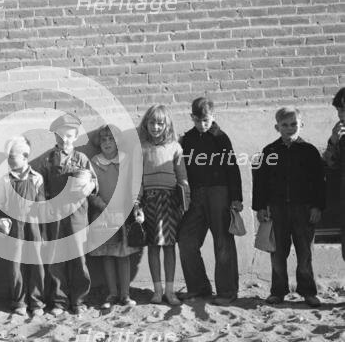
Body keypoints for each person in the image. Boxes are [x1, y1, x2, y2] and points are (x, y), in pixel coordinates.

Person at [252, 106, 325, 306]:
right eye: (285, 125)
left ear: (301, 124)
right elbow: (261, 181)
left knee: (305, 253)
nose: (290, 128)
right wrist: (260, 207)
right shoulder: (270, 151)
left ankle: (308, 291)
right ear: (277, 127)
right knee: (278, 254)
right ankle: (278, 291)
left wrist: (317, 206)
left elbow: (319, 181)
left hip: (304, 210)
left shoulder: (310, 151)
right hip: (277, 210)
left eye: (294, 124)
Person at [177, 97, 243, 305]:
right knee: (186, 239)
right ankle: (198, 287)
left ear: (213, 116)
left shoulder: (221, 138)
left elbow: (232, 167)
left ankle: (227, 292)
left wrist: (236, 198)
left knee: (223, 242)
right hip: (195, 195)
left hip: (220, 193)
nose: (202, 124)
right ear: (192, 118)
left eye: (206, 120)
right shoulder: (186, 139)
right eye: (198, 120)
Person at [37, 113, 97, 316]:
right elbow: (41, 188)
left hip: (77, 214)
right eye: (61, 136)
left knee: (79, 256)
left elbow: (94, 183)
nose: (65, 140)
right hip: (55, 214)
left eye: (70, 136)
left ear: (76, 137)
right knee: (56, 258)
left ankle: (79, 300)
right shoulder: (47, 160)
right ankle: (59, 300)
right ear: (55, 137)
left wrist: (88, 187)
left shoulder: (82, 158)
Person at [138, 105, 190, 306]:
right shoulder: (141, 147)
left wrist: (185, 197)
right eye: (152, 122)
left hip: (170, 202)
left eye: (160, 123)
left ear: (167, 125)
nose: (156, 127)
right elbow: (137, 179)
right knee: (153, 246)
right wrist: (137, 203)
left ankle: (170, 290)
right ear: (146, 124)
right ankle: (157, 291)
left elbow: (182, 176)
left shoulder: (175, 147)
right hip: (149, 201)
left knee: (169, 247)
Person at [0, 136, 46, 317]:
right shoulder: (5, 181)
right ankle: (19, 301)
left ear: (25, 157)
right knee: (16, 263)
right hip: (14, 227)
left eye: (12, 156)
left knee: (36, 262)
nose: (9, 160)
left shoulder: (37, 178)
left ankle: (36, 301)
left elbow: (42, 205)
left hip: (34, 225)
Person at [89, 125, 141, 309]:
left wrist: (134, 205)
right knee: (108, 255)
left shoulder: (125, 160)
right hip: (103, 215)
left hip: (123, 214)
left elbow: (134, 184)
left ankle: (125, 294)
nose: (107, 143)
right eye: (103, 140)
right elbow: (90, 190)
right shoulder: (94, 162)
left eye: (111, 139)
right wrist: (103, 207)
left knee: (123, 254)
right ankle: (112, 293)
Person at [323, 87, 345, 261]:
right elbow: (331, 164)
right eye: (338, 110)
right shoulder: (339, 134)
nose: (340, 114)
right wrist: (333, 141)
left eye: (343, 109)